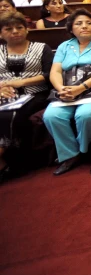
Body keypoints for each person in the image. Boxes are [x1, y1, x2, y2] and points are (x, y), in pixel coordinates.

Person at [43, 11, 91, 175]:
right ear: (71, 28)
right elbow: (55, 72)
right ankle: (70, 154)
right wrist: (61, 88)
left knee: (85, 115)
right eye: (79, 23)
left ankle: (81, 150)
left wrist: (81, 88)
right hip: (69, 89)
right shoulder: (65, 46)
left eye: (89, 23)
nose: (84, 26)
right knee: (51, 115)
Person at [0, 12, 54, 181]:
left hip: (35, 93)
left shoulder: (41, 48)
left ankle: (9, 159)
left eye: (19, 27)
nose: (15, 31)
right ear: (1, 33)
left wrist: (21, 83)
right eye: (9, 29)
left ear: (27, 30)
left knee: (12, 115)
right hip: (3, 93)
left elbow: (48, 74)